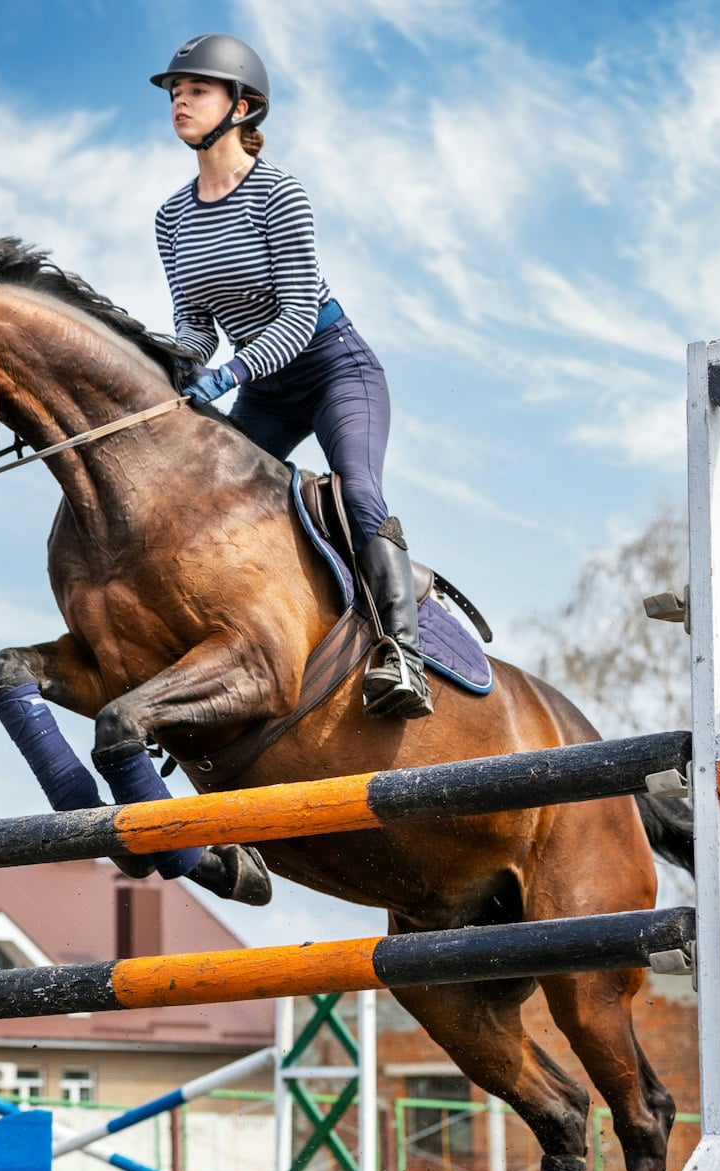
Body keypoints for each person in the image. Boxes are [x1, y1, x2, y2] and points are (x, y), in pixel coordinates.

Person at [151, 33, 432, 719]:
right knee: (202, 511)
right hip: (265, 386)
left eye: (196, 90)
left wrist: (229, 375)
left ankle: (403, 654)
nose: (180, 101)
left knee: (358, 487)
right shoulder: (169, 218)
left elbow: (300, 315)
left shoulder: (280, 192)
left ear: (242, 106)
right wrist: (172, 362)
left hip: (336, 365)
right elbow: (195, 325)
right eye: (175, 93)